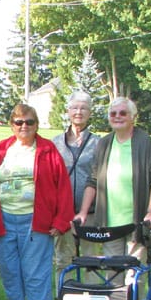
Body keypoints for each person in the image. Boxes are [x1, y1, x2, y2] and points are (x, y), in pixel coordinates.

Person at [0, 104, 74, 300]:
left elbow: (63, 187)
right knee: (9, 268)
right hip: (5, 219)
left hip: (36, 220)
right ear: (11, 125)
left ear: (36, 125)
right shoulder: (1, 150)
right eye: (19, 122)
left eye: (29, 122)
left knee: (36, 269)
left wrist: (60, 221)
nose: (24, 126)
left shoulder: (47, 149)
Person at [75, 97, 151, 300]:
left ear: (133, 117)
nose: (117, 117)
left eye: (122, 113)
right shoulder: (105, 143)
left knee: (134, 273)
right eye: (113, 113)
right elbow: (93, 180)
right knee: (113, 271)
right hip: (110, 223)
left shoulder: (144, 142)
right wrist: (82, 212)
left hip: (137, 221)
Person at [51, 91, 100, 270]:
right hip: (62, 212)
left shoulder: (98, 143)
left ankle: (92, 295)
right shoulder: (55, 143)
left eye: (84, 108)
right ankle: (64, 296)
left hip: (91, 212)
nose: (79, 112)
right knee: (63, 260)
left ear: (90, 113)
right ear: (68, 111)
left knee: (91, 260)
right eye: (75, 107)